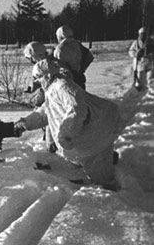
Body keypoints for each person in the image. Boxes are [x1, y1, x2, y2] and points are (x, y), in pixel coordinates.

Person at [13, 59, 121, 191]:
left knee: (104, 180)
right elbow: (45, 113)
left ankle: (115, 198)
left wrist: (66, 134)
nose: (36, 82)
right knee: (93, 161)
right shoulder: (52, 89)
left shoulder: (63, 86)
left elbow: (77, 109)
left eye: (37, 78)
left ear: (46, 75)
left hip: (97, 133)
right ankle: (108, 161)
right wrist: (26, 123)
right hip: (90, 135)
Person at [53, 25, 94, 90]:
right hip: (79, 78)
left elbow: (57, 64)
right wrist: (82, 69)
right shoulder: (78, 44)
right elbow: (90, 57)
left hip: (67, 80)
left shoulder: (59, 48)